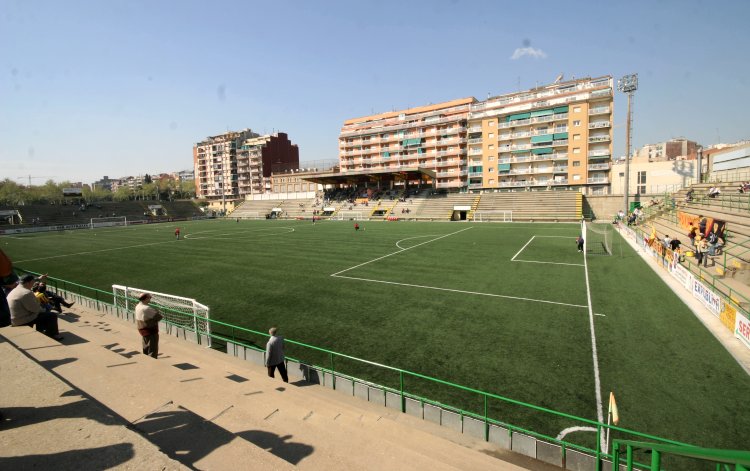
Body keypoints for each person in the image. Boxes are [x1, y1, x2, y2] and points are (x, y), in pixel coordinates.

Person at [7, 274, 62, 340]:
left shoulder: (16, 289)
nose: (34, 284)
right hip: (21, 320)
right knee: (51, 315)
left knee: (42, 314)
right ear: (28, 283)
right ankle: (53, 334)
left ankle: (41, 331)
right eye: (33, 282)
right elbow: (35, 309)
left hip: (14, 318)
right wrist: (45, 309)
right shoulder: (26, 293)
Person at [135, 292, 163, 358]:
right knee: (152, 349)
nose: (150, 299)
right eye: (149, 298)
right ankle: (152, 364)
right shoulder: (146, 308)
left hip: (142, 330)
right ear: (146, 299)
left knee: (145, 347)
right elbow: (159, 317)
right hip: (150, 331)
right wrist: (157, 311)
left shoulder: (137, 306)